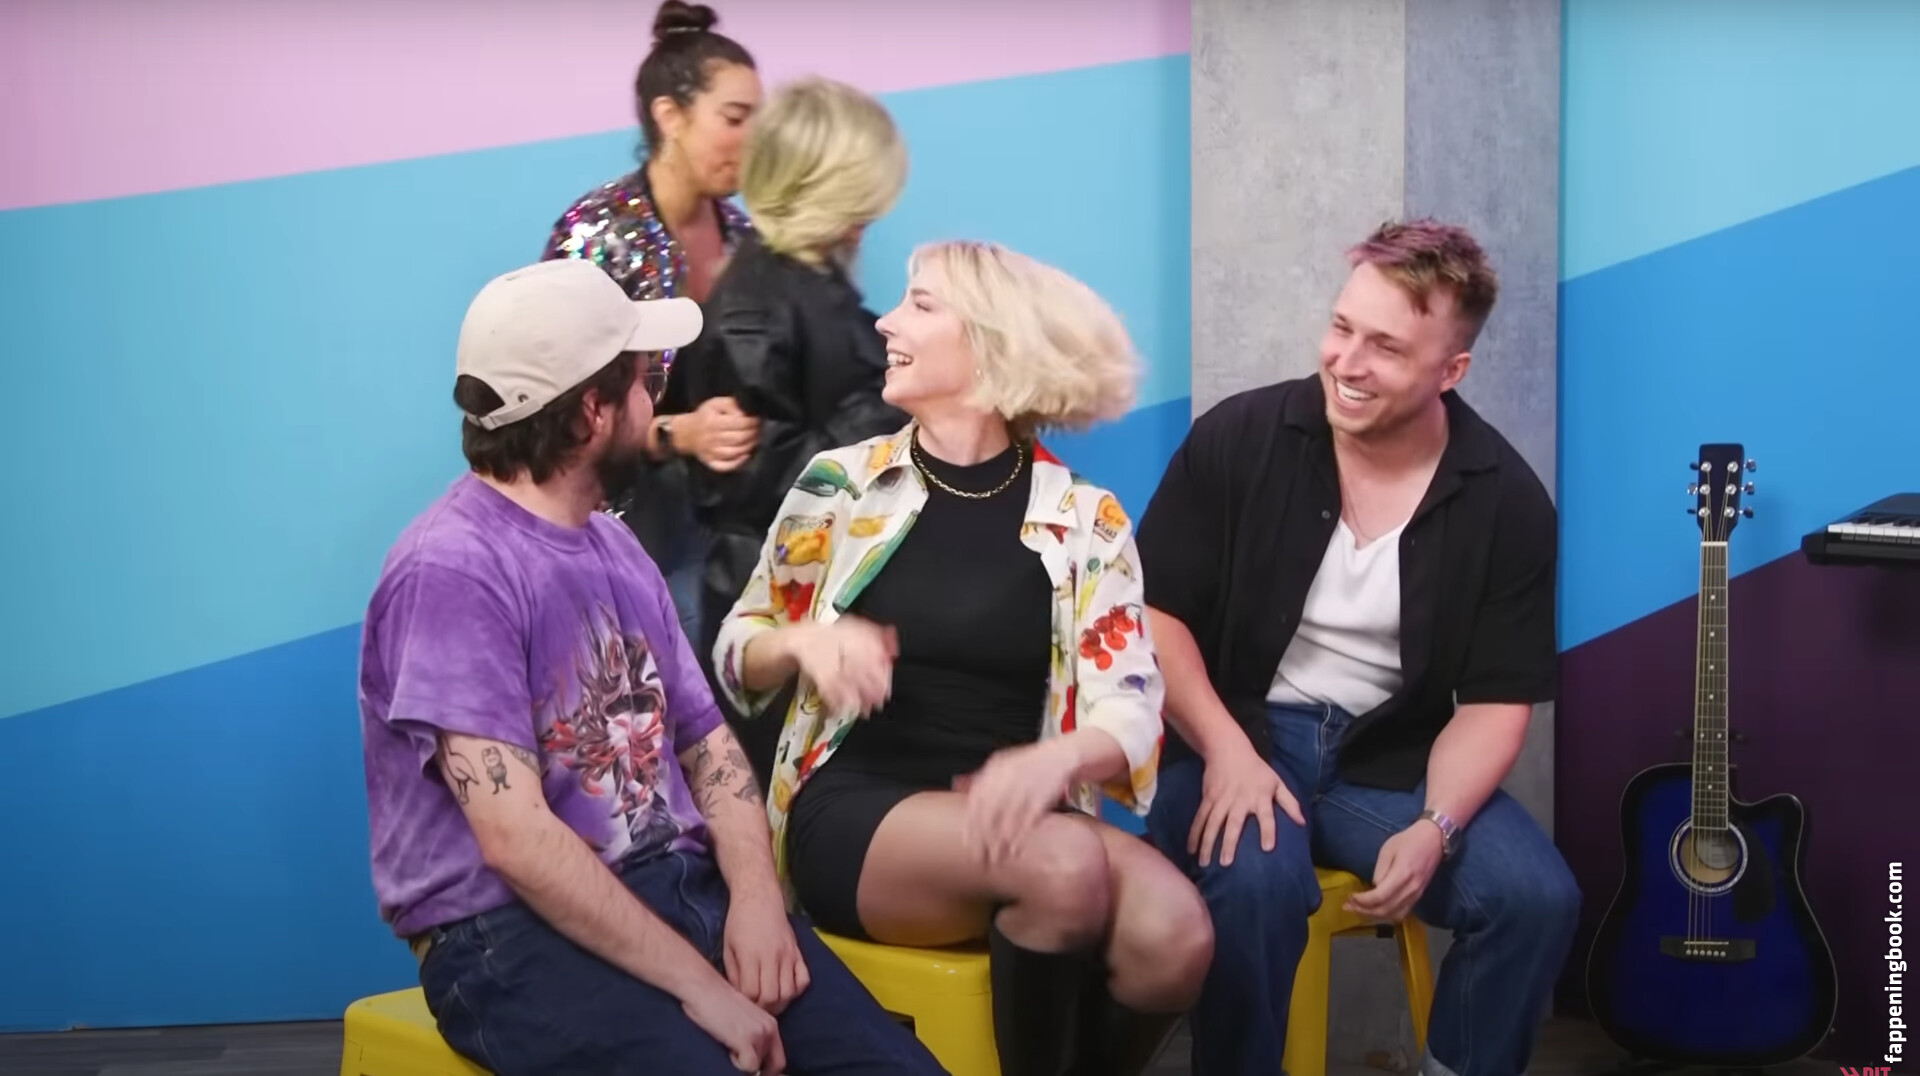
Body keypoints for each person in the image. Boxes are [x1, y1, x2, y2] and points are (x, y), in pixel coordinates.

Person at [357, 258, 947, 1076]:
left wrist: (757, 902)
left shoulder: (615, 545)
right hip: (505, 935)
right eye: (646, 382)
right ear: (591, 413)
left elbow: (709, 749)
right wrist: (700, 988)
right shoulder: (452, 567)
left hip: (679, 887)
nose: (657, 404)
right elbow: (517, 839)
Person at [710, 240, 1215, 1076]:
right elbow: (737, 650)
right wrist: (804, 641)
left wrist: (1058, 759)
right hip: (859, 807)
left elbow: (1130, 709)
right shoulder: (843, 485)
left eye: (920, 305)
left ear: (990, 342)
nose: (886, 323)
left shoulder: (1085, 518)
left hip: (1019, 819)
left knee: (1178, 933)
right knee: (1063, 865)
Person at [1133, 218, 1581, 1076]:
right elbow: (1156, 616)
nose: (1346, 361)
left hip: (1385, 762)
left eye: (1387, 347)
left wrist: (1437, 826)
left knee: (1535, 898)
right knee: (1255, 882)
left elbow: (1495, 703)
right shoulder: (1242, 435)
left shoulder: (1507, 501)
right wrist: (1227, 752)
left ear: (1451, 371)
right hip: (1235, 734)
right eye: (1342, 327)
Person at [671, 75, 911, 782]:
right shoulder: (756, 311)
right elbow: (761, 479)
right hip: (777, 607)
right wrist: (903, 413)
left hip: (817, 594)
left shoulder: (804, 288)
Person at [543, 0, 765, 644]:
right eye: (735, 118)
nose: (755, 140)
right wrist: (678, 434)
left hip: (728, 521)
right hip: (619, 532)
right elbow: (558, 411)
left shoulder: (744, 235)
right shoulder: (597, 233)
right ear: (670, 116)